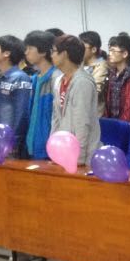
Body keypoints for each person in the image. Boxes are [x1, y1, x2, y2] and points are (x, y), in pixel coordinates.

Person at [50, 35, 101, 167]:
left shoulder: (82, 82)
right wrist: (53, 149)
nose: (51, 55)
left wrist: (79, 157)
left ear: (65, 54)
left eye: (54, 51)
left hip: (81, 155)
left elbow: (82, 123)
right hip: (63, 151)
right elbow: (56, 119)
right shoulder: (58, 81)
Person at [0, 35, 32, 157]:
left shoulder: (20, 77)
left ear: (6, 53)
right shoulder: (1, 77)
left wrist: (14, 139)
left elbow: (22, 112)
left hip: (10, 141)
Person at [23, 30, 61, 160]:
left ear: (44, 51)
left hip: (49, 148)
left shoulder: (56, 78)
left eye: (30, 48)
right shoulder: (35, 79)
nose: (26, 52)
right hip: (32, 144)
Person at [103, 34, 130, 122]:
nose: (110, 54)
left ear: (125, 54)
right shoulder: (110, 75)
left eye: (113, 51)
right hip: (111, 123)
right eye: (109, 50)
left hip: (128, 124)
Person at [78, 31, 108, 116]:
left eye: (82, 47)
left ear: (93, 49)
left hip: (94, 114)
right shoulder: (80, 64)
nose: (79, 50)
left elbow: (95, 91)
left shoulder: (101, 66)